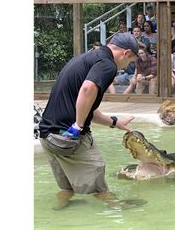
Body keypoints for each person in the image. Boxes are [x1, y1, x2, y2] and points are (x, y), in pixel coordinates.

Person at [38, 33, 142, 210]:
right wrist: (77, 126)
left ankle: (58, 212)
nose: (127, 66)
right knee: (98, 185)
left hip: (48, 137)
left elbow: (87, 109)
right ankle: (119, 209)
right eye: (130, 61)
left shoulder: (88, 57)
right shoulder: (108, 64)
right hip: (67, 138)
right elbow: (87, 89)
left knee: (67, 188)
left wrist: (115, 122)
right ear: (126, 53)